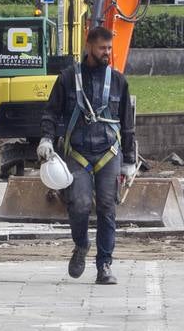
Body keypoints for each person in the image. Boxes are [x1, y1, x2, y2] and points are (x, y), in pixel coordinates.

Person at [37, 26, 137, 285]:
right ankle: (81, 244)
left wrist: (128, 161)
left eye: (109, 49)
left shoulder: (118, 81)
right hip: (78, 152)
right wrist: (47, 139)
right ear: (89, 45)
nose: (107, 53)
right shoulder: (68, 78)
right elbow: (51, 112)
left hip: (108, 152)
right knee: (79, 204)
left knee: (106, 206)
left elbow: (127, 123)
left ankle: (104, 265)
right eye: (103, 48)